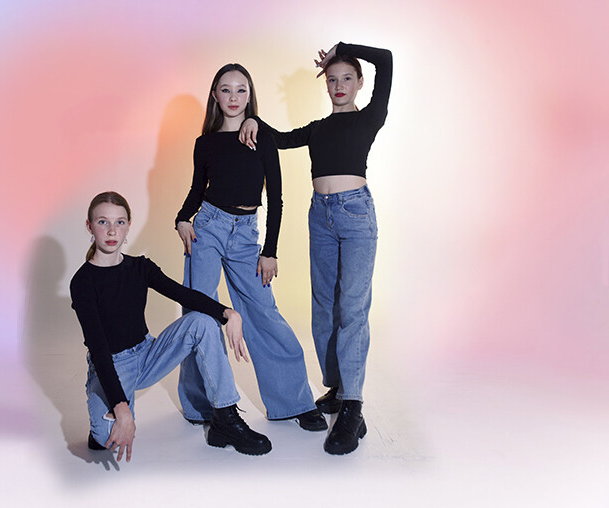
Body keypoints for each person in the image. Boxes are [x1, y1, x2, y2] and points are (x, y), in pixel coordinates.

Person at [239, 42, 393, 455]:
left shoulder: (369, 118)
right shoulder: (318, 129)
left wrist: (341, 49)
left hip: (356, 215)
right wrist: (253, 119)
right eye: (332, 79)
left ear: (359, 83)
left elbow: (386, 59)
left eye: (347, 78)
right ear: (325, 85)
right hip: (319, 216)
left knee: (353, 308)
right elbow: (279, 139)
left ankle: (353, 406)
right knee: (324, 307)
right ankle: (339, 389)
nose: (339, 85)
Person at [175, 64, 326, 432]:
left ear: (249, 95)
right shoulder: (205, 143)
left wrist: (269, 251)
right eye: (225, 90)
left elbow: (276, 198)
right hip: (207, 228)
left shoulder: (262, 138)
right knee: (199, 312)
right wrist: (181, 218)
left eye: (241, 90)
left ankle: (294, 401)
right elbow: (197, 189)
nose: (233, 97)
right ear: (215, 95)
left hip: (246, 235)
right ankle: (202, 406)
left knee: (264, 312)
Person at [70, 191, 272, 461]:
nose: (111, 230)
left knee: (202, 322)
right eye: (102, 222)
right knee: (106, 440)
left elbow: (183, 294)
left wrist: (228, 313)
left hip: (147, 354)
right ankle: (106, 413)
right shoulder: (83, 282)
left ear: (128, 226)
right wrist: (121, 407)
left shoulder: (140, 267)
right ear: (89, 226)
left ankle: (225, 417)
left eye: (119, 222)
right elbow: (98, 348)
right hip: (112, 364)